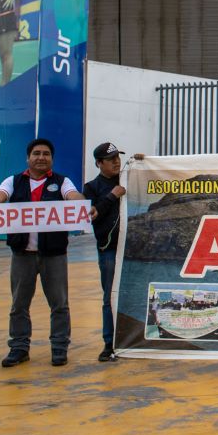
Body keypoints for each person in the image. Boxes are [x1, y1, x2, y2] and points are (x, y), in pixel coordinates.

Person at [0, 138, 82, 367]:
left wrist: (82, 204)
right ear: (28, 158)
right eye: (36, 153)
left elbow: (73, 196)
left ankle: (59, 348)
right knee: (19, 304)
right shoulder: (13, 181)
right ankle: (19, 348)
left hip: (54, 254)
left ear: (52, 159)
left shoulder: (62, 182)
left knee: (59, 303)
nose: (41, 157)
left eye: (46, 153)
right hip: (22, 254)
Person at [84, 142, 125, 362]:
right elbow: (92, 214)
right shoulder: (90, 187)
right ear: (99, 163)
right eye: (111, 159)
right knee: (109, 296)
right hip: (108, 250)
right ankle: (108, 343)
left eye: (118, 157)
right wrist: (113, 195)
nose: (116, 162)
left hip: (131, 249)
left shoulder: (127, 179)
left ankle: (131, 340)